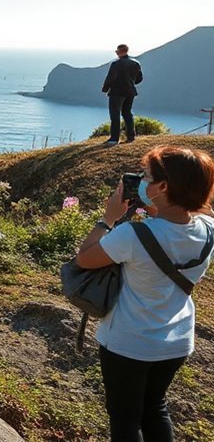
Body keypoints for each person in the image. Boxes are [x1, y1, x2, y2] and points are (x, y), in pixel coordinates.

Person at [75, 146, 214, 441]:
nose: (139, 180)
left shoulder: (132, 236)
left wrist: (108, 218)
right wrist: (166, 203)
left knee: (125, 420)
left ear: (163, 186)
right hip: (176, 341)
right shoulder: (208, 230)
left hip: (129, 342)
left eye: (145, 177)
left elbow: (84, 259)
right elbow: (202, 211)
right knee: (155, 409)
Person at [101, 44, 144, 146]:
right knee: (127, 113)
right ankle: (131, 136)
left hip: (117, 92)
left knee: (115, 114)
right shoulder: (135, 63)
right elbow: (140, 78)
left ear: (120, 51)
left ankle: (114, 138)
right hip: (130, 92)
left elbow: (110, 78)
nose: (116, 53)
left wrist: (105, 89)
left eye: (117, 51)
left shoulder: (116, 64)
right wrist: (131, 83)